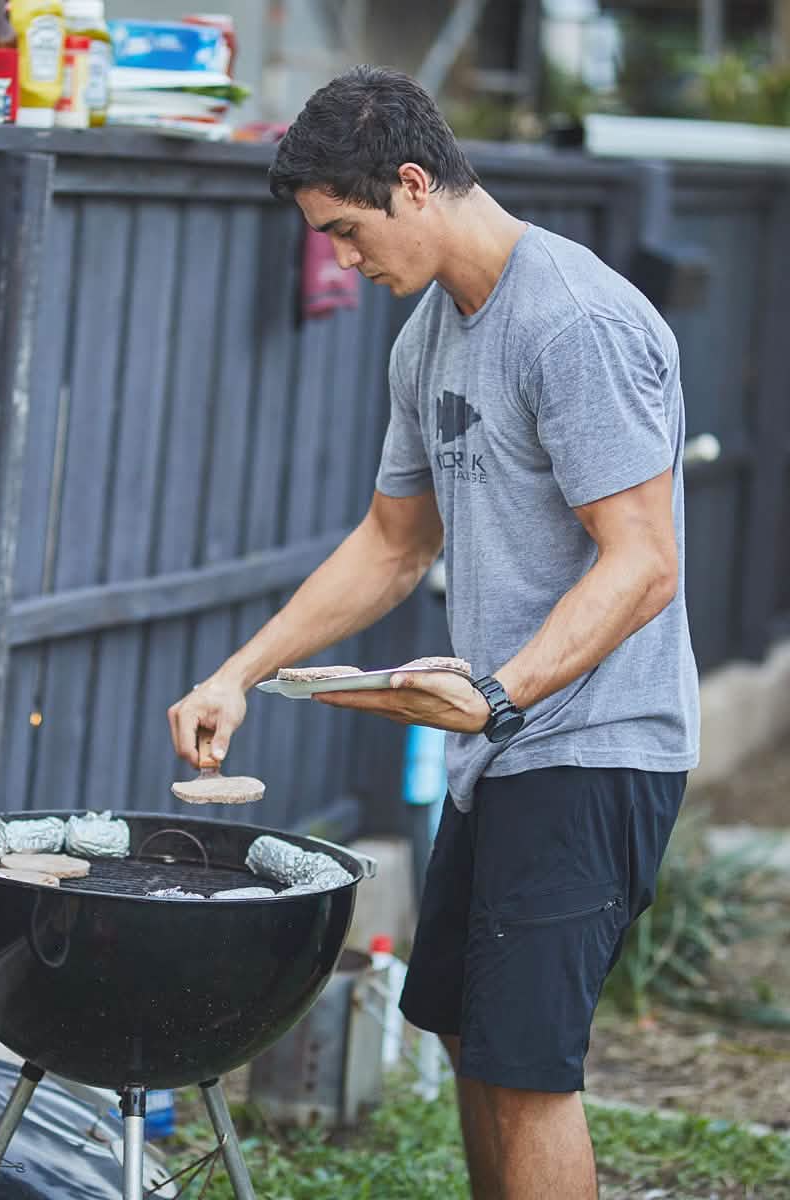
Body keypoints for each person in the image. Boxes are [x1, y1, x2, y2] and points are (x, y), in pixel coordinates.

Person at [166, 66, 699, 1200]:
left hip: (596, 742)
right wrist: (241, 673)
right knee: (463, 1030)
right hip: (499, 747)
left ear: (414, 185)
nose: (343, 265)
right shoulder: (427, 342)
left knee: (527, 1070)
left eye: (347, 233)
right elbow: (393, 544)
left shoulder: (576, 323)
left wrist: (501, 693)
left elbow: (644, 564)